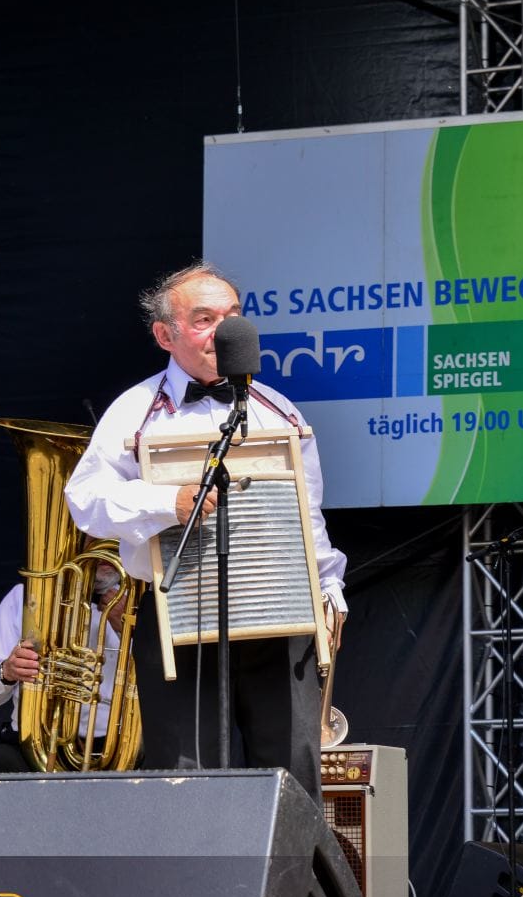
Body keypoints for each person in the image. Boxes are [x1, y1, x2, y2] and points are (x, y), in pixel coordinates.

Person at [64, 262, 346, 801]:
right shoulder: (135, 411)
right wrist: (167, 503)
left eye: (232, 316)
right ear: (164, 335)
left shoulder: (279, 413)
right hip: (179, 615)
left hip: (278, 615)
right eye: (204, 319)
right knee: (187, 782)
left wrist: (329, 592)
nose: (224, 330)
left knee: (292, 773)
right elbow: (85, 500)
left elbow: (307, 519)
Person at [0, 562, 130, 774]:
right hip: (31, 746)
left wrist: (132, 629)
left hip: (113, 753)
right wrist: (7, 672)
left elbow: (161, 691)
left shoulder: (141, 603)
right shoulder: (25, 596)